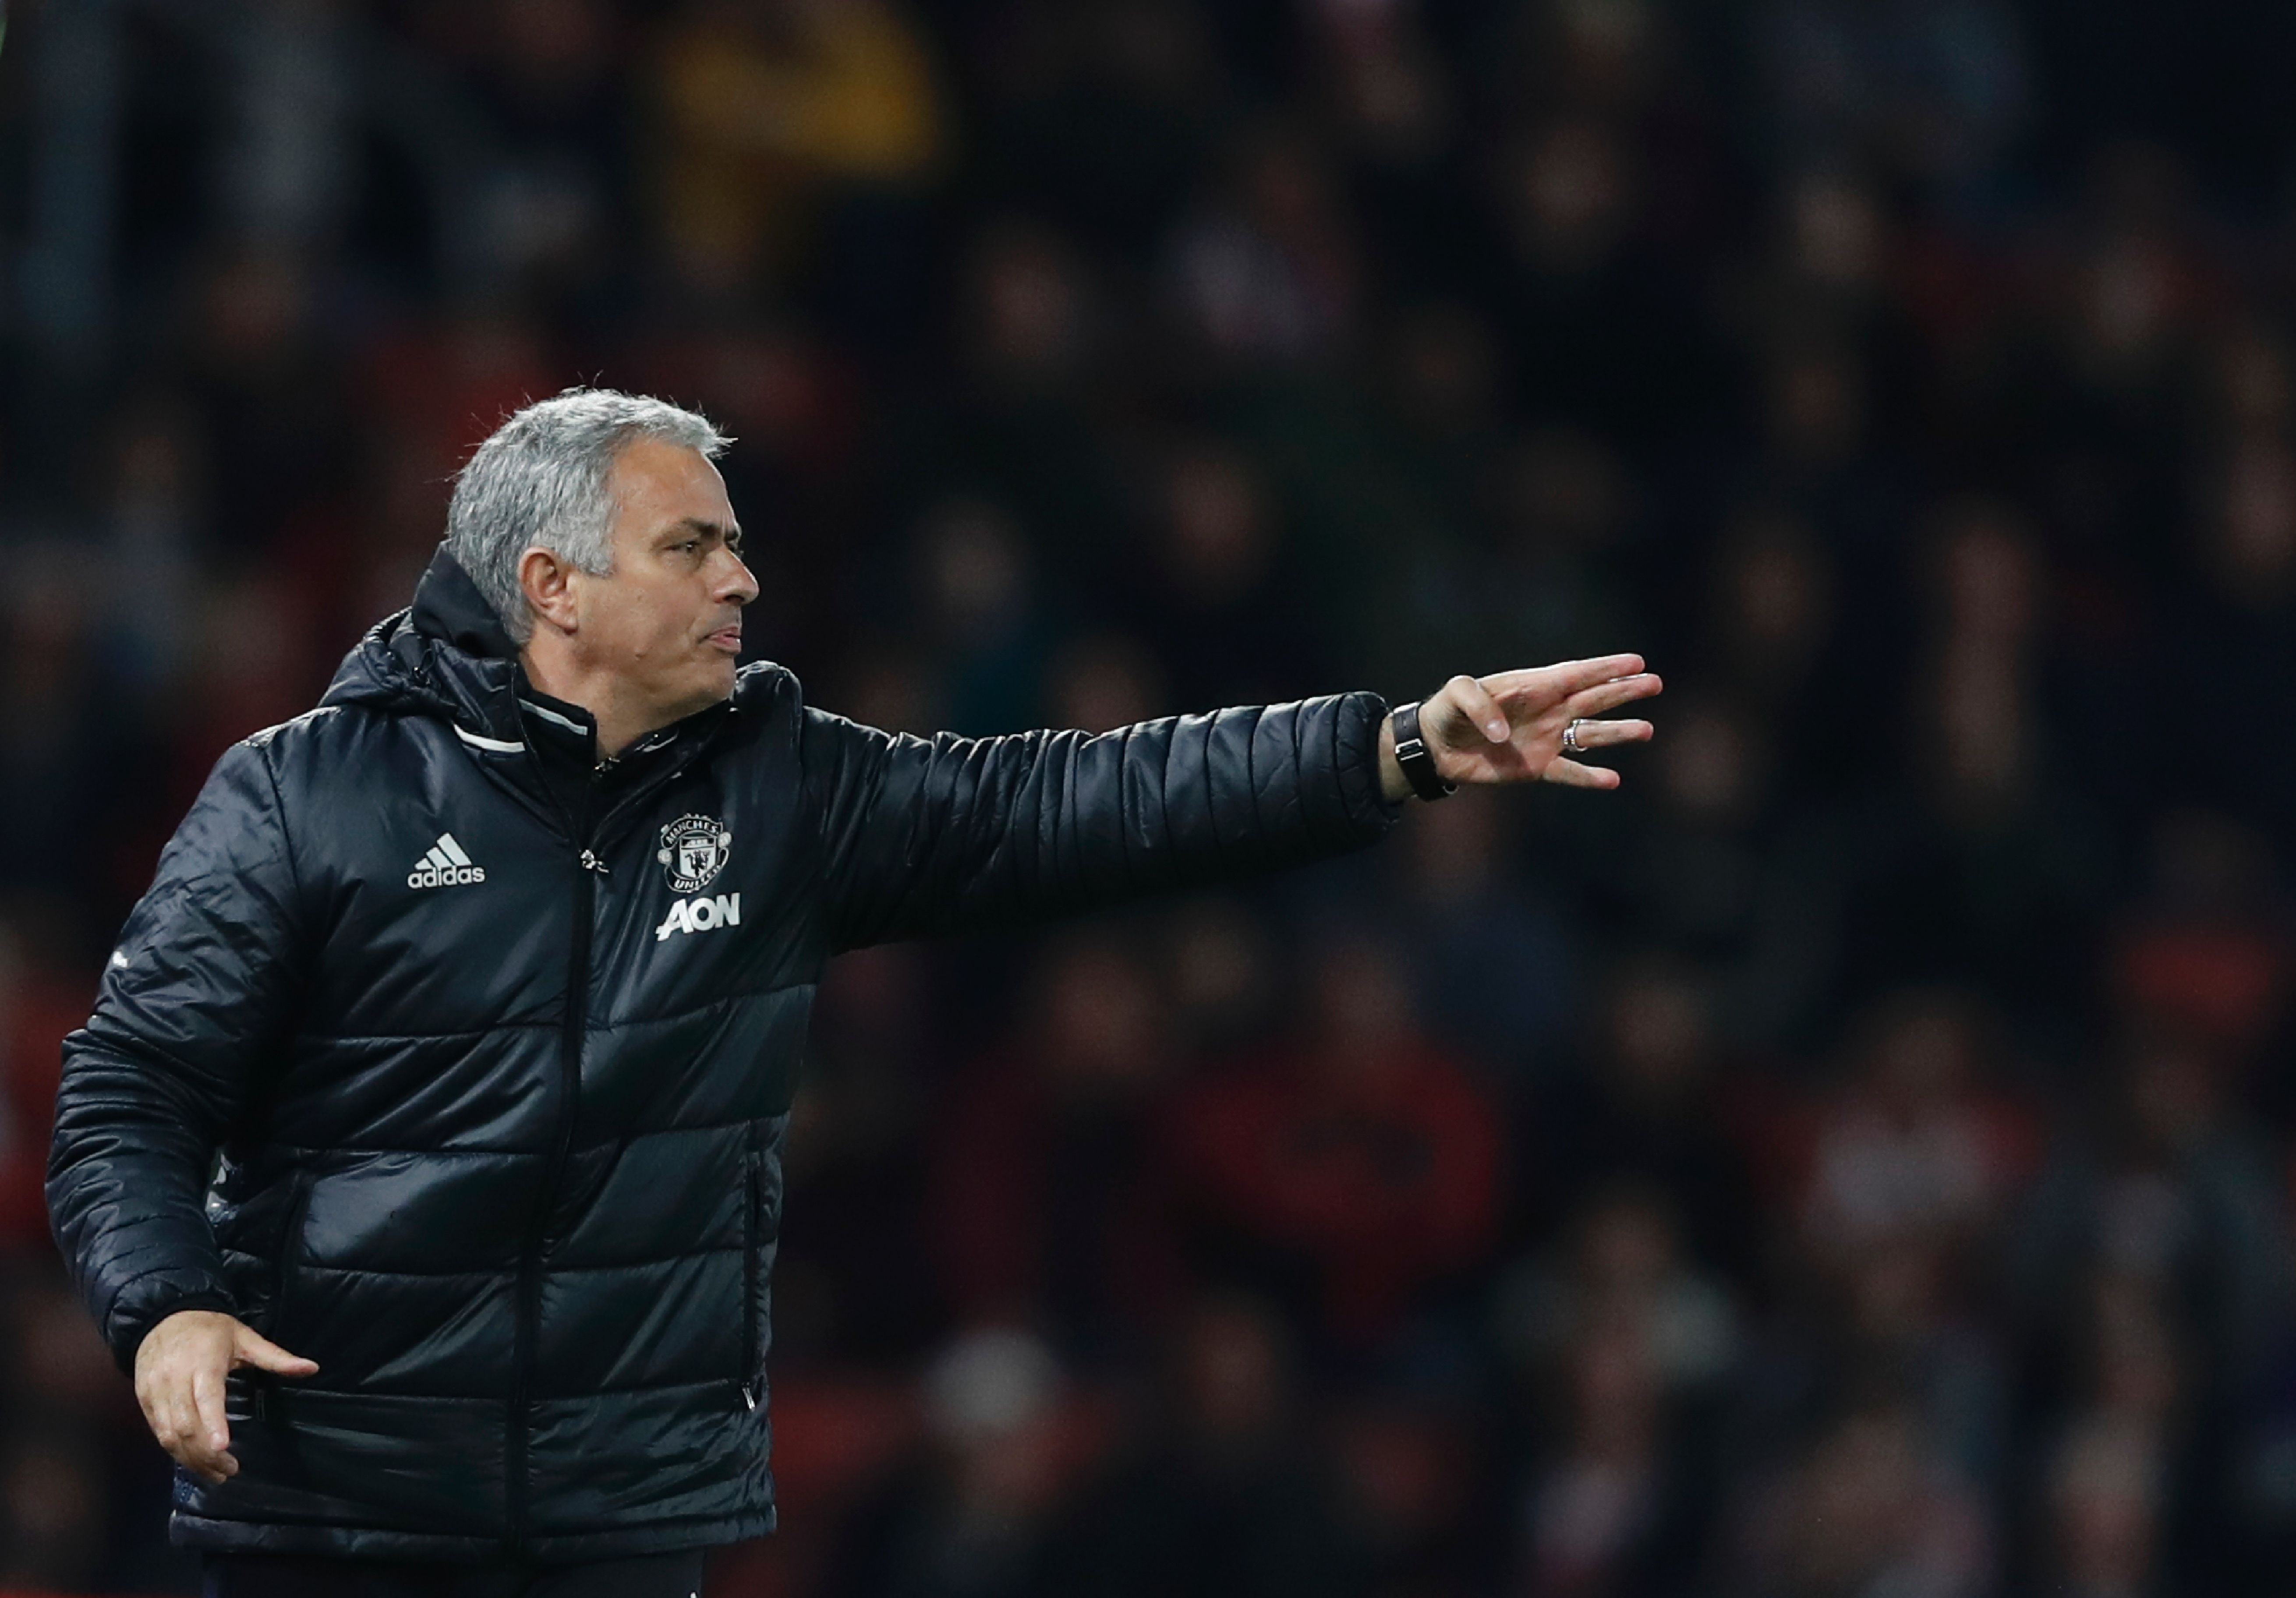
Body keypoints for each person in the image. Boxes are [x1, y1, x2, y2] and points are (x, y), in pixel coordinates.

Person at [46, 389, 1661, 1596]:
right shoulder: (304, 797)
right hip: (337, 1512)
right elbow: (129, 1089)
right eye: (693, 547)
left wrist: (1391, 750)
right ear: (553, 586)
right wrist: (166, 1300)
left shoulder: (783, 790)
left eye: (737, 541)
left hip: (618, 1524)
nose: (743, 580)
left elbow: (1074, 804)